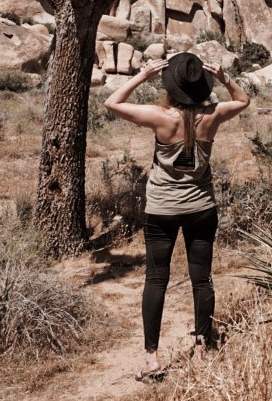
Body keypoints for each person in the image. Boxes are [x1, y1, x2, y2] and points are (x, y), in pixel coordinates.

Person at [104, 51, 251, 382]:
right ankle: (201, 346)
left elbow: (113, 103)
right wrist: (225, 77)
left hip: (162, 210)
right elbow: (243, 100)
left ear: (172, 86)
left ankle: (151, 358)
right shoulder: (212, 115)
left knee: (156, 279)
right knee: (202, 278)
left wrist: (142, 75)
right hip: (201, 208)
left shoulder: (159, 117)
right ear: (202, 86)